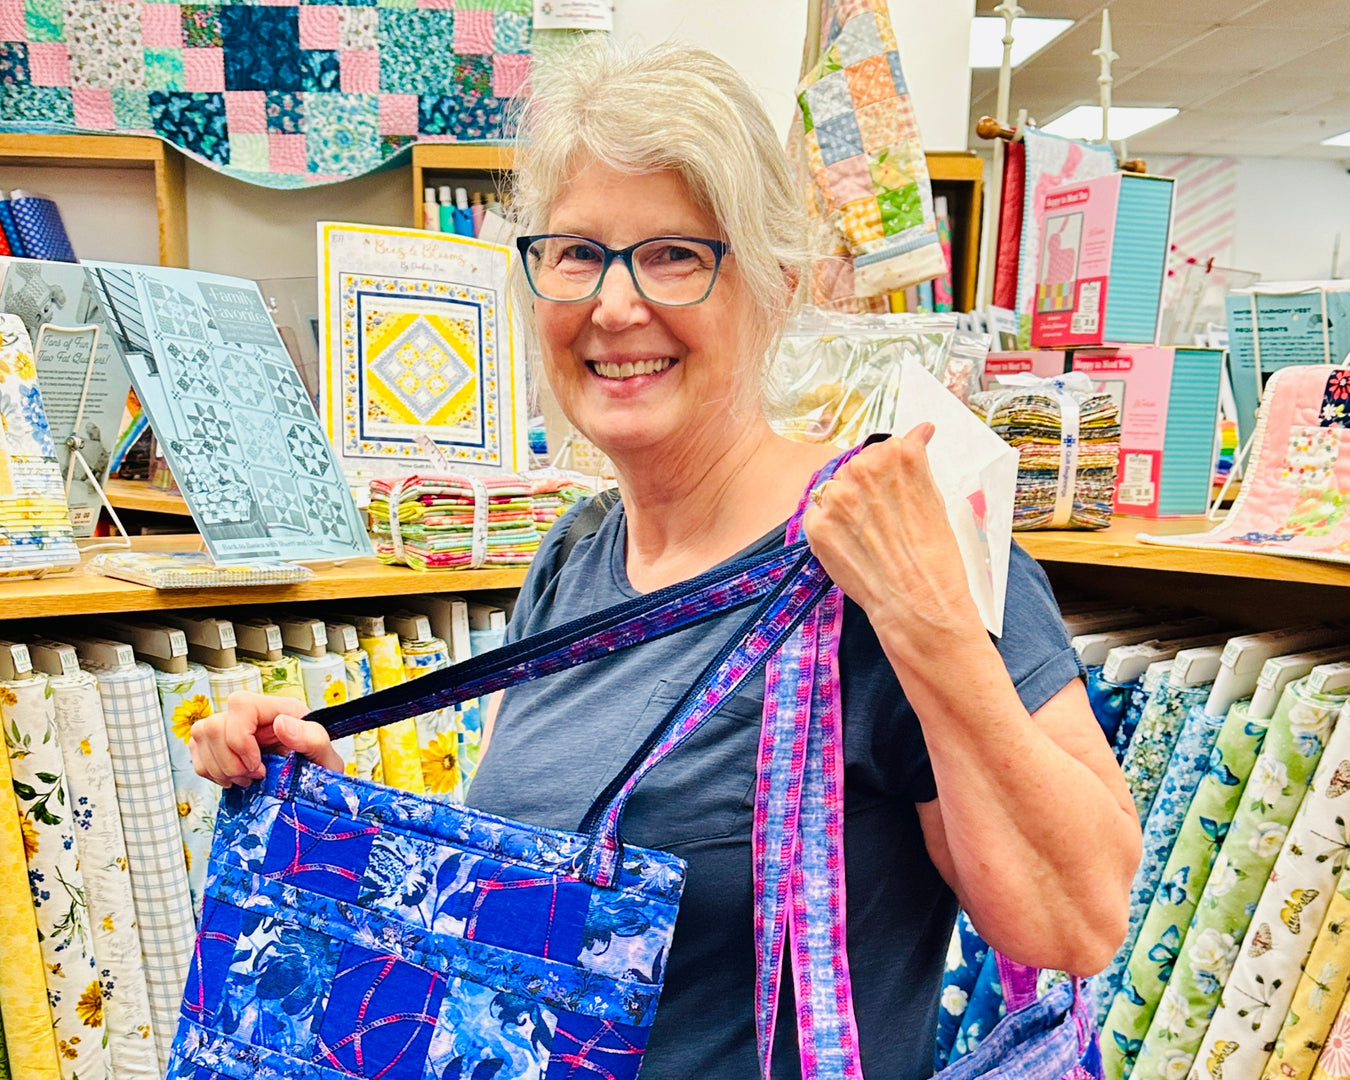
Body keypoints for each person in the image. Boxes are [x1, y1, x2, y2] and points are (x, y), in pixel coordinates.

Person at [191, 37, 1141, 1080]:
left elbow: (1076, 921)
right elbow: (526, 908)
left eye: (676, 255)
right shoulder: (574, 558)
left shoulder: (884, 551)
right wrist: (326, 814)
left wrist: (934, 626)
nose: (614, 304)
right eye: (576, 252)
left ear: (775, 284)